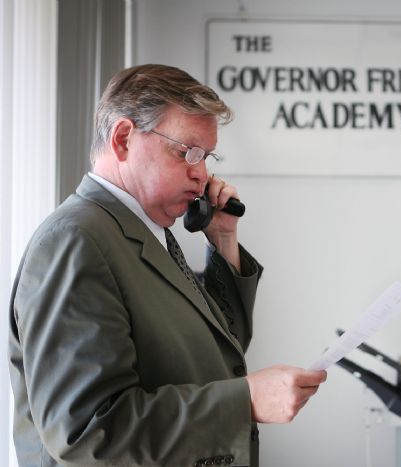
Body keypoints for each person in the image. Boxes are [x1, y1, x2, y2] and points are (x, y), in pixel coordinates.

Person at [8, 64, 327, 467]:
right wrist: (243, 401)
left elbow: (220, 351)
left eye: (206, 157)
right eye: (186, 153)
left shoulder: (145, 231)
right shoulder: (75, 241)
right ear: (123, 139)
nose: (202, 175)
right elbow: (88, 432)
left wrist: (223, 240)